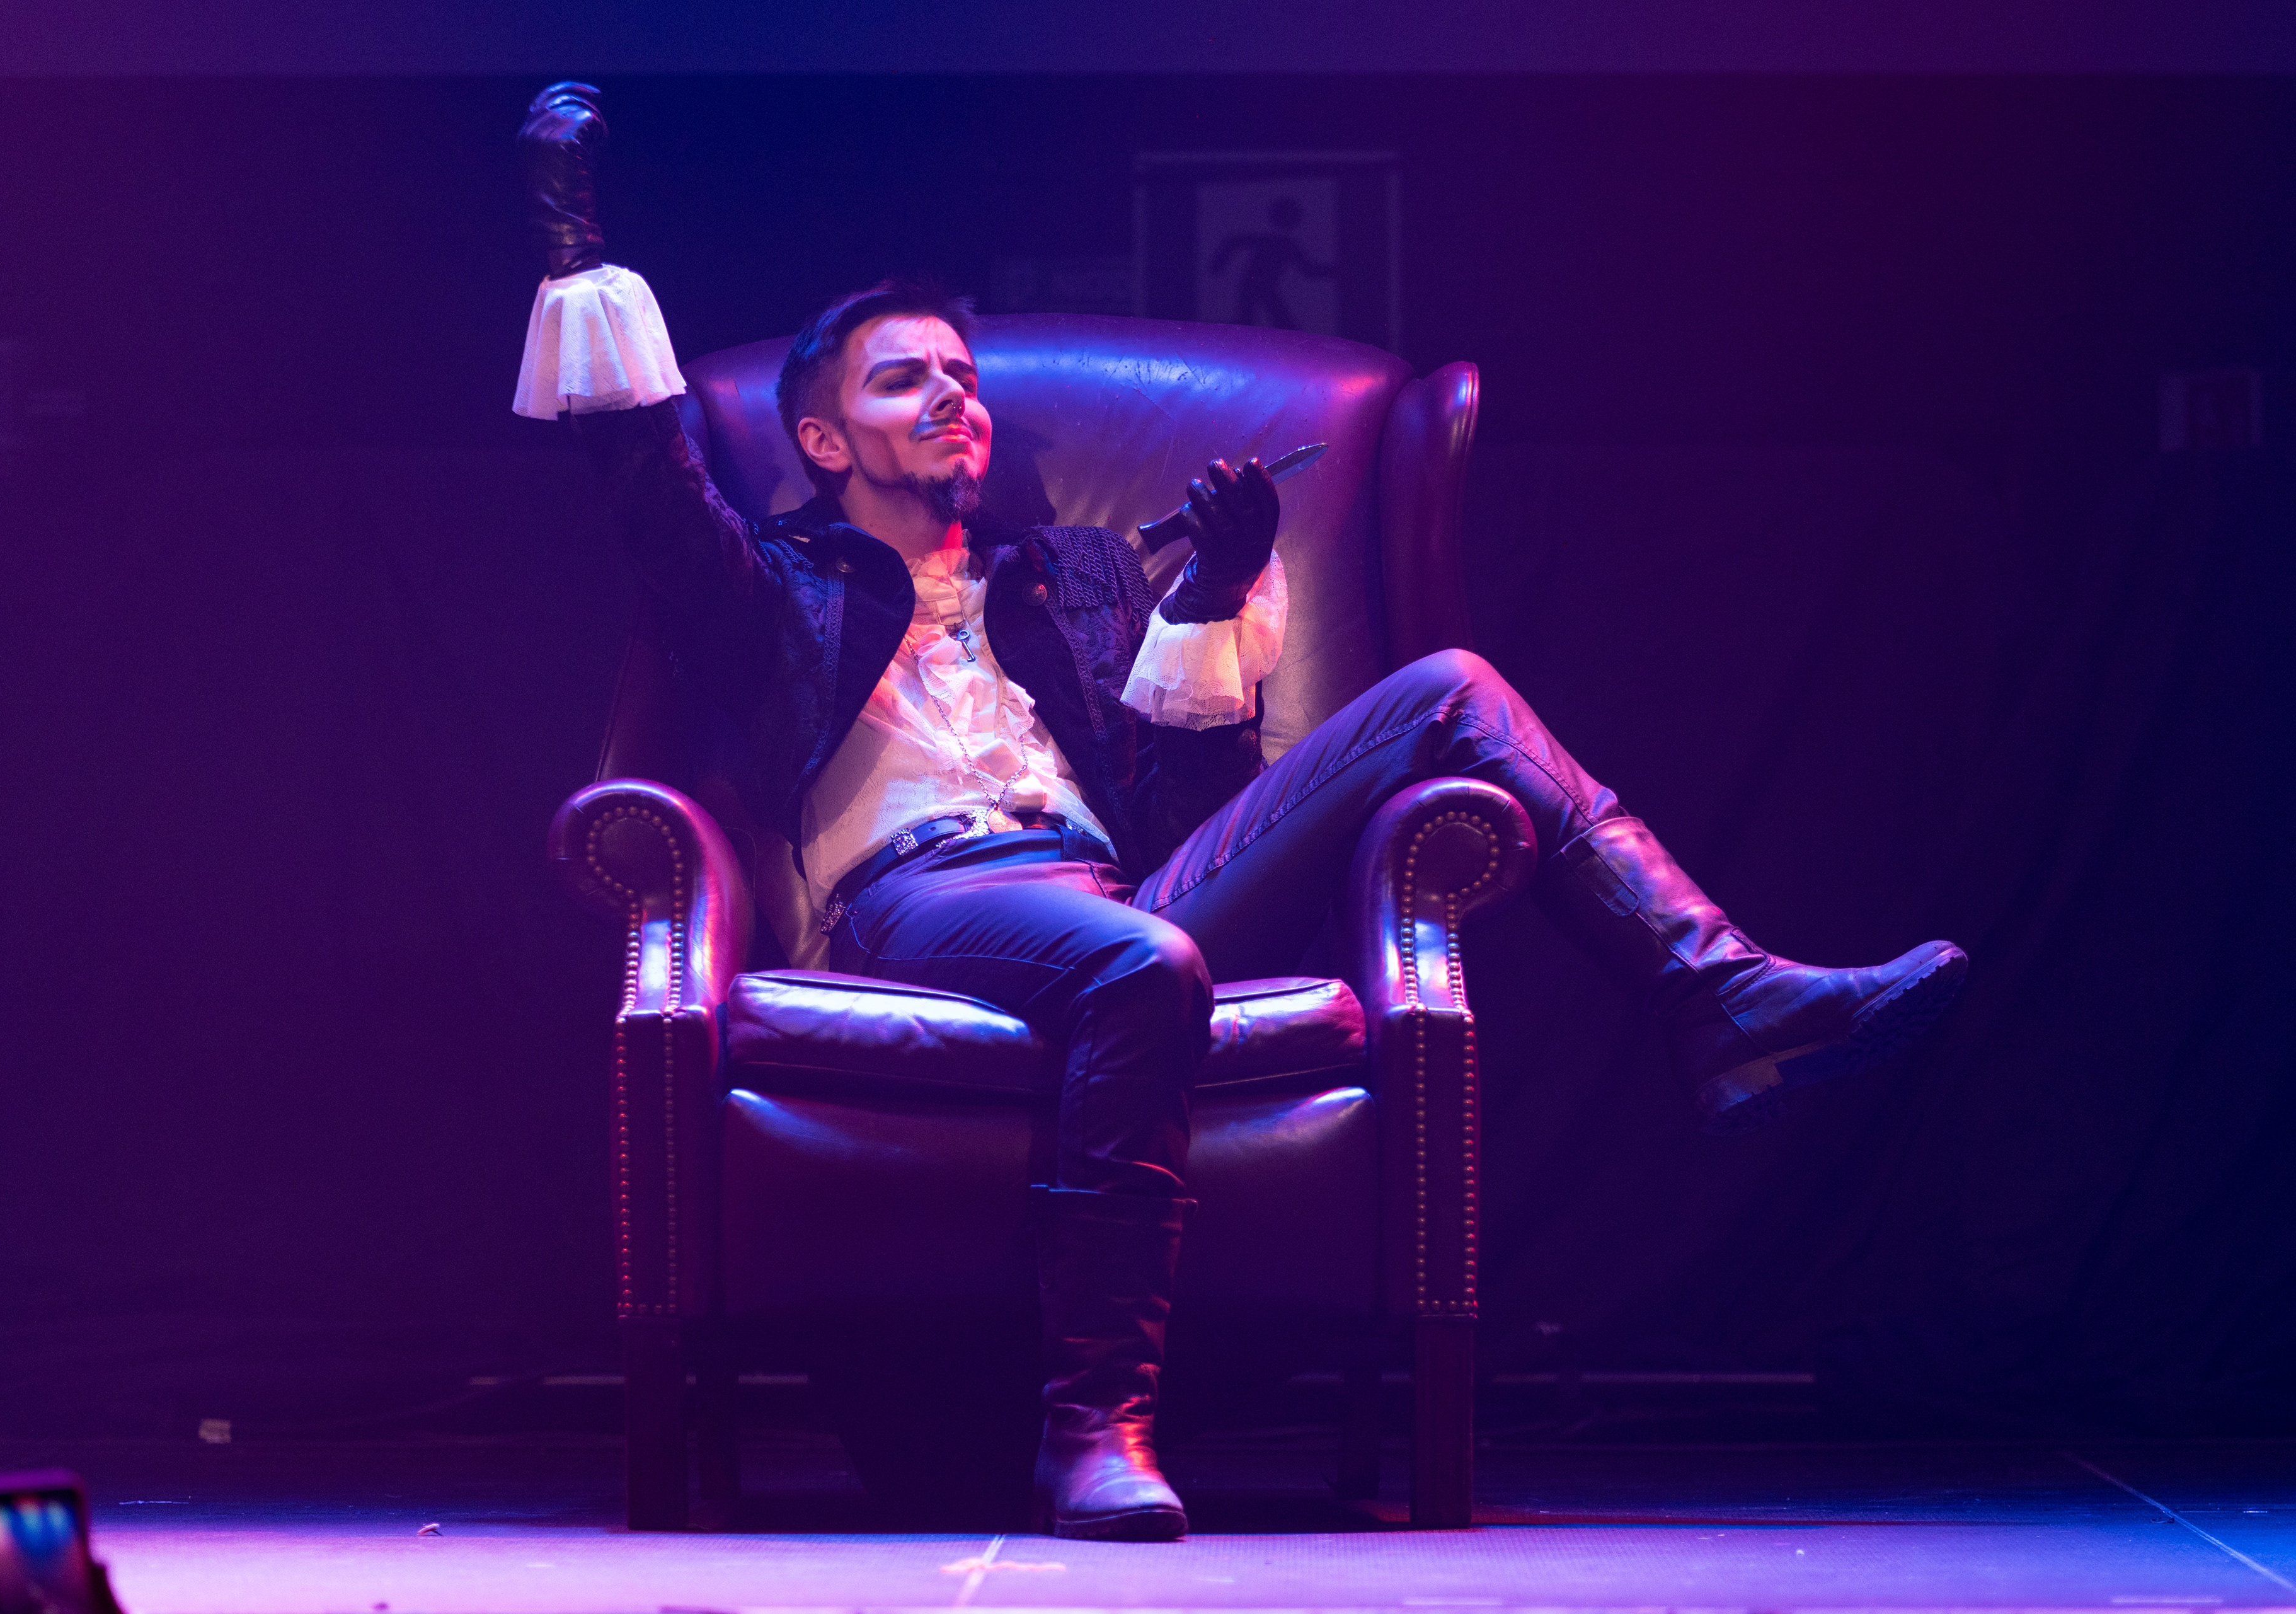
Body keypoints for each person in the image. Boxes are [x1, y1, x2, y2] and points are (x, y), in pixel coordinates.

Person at [513, 84, 1968, 1541]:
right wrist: (575, 244)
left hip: (1120, 893)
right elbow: (647, 485)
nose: (956, 396)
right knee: (1142, 965)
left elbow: (1175, 812)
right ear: (824, 442)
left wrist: (1209, 594)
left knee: (1450, 690)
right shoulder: (773, 589)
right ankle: (1095, 1426)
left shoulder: (1071, 576)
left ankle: (1722, 993)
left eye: (964, 374)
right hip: (923, 900)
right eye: (907, 382)